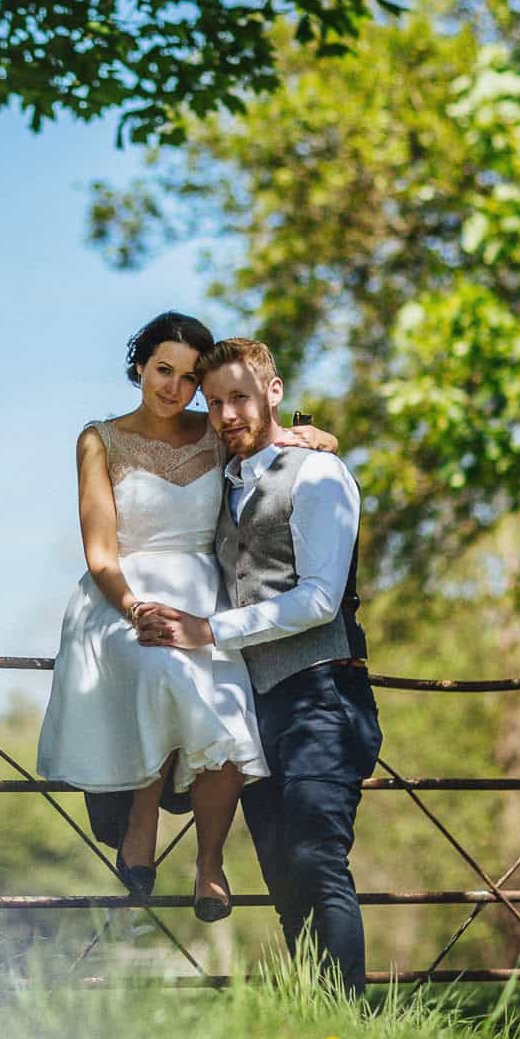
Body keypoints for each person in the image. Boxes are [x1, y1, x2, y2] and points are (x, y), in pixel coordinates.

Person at [35, 314, 333, 922]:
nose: (173, 387)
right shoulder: (100, 439)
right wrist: (133, 607)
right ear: (139, 366)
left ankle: (210, 863)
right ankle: (141, 820)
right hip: (121, 593)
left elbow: (270, 436)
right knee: (167, 670)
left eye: (188, 377)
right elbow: (100, 552)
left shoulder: (215, 430)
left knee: (225, 700)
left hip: (207, 591)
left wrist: (319, 437)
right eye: (162, 370)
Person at [137, 337, 383, 995]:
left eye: (240, 397)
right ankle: (319, 1025)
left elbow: (319, 598)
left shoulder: (318, 476)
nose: (226, 414)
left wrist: (207, 630)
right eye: (215, 402)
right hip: (253, 704)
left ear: (273, 392)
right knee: (281, 874)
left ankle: (351, 1029)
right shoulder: (223, 483)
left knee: (315, 859)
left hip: (323, 693)